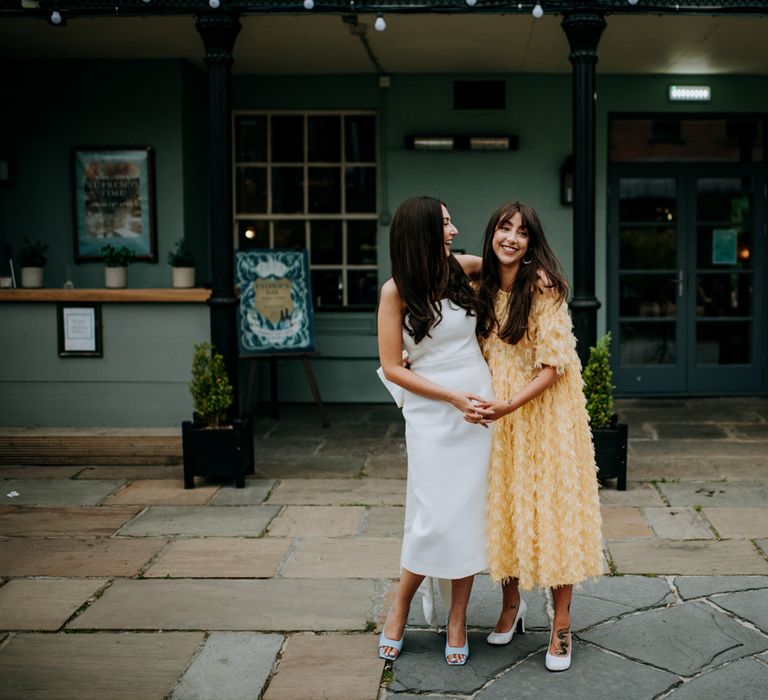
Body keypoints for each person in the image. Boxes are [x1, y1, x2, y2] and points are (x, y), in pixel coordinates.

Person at [465, 201, 603, 672]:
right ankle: (511, 606)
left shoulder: (543, 286)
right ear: (492, 234)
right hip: (499, 416)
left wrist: (509, 405)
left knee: (552, 513)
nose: (512, 238)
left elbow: (554, 366)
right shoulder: (480, 287)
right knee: (506, 508)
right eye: (504, 229)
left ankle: (561, 621)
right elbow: (445, 264)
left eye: (522, 233)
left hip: (545, 414)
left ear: (532, 243)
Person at [377, 196, 494, 666]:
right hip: (432, 409)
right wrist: (449, 397)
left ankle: (458, 618)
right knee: (434, 517)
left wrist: (542, 276)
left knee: (468, 515)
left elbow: (512, 267)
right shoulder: (395, 291)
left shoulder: (462, 268)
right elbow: (391, 366)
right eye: (445, 223)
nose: (454, 229)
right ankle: (400, 605)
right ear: (423, 232)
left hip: (478, 404)